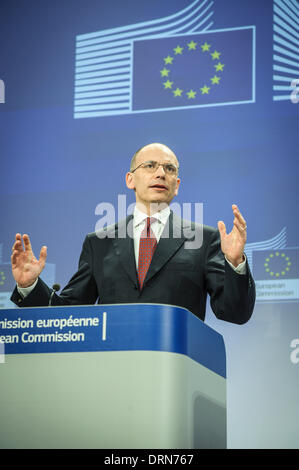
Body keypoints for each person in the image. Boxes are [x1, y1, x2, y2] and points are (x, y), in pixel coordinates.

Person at [10, 143, 255, 324]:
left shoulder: (203, 240)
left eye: (169, 169)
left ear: (176, 185)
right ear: (130, 180)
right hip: (110, 368)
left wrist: (234, 263)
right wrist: (30, 286)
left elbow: (234, 313)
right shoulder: (99, 243)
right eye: (150, 166)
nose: (160, 173)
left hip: (175, 368)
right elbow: (66, 316)